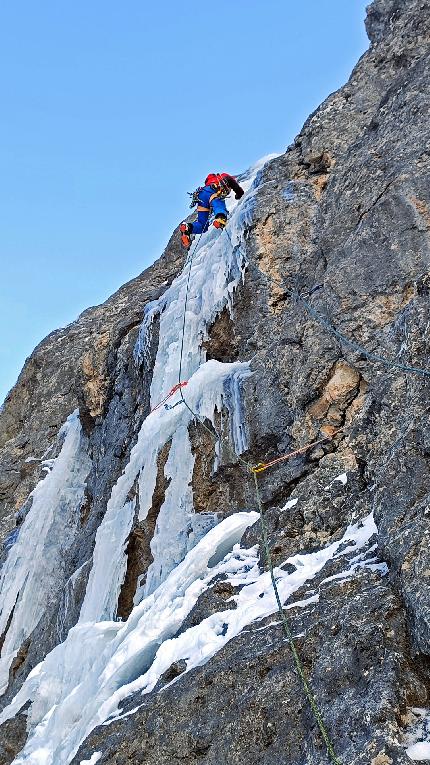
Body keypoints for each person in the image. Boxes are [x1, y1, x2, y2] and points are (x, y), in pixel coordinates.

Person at [179, 173, 245, 249]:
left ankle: (189, 227)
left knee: (202, 224)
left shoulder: (207, 184)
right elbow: (232, 182)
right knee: (218, 203)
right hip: (213, 191)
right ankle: (220, 218)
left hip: (201, 196)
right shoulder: (223, 176)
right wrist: (239, 193)